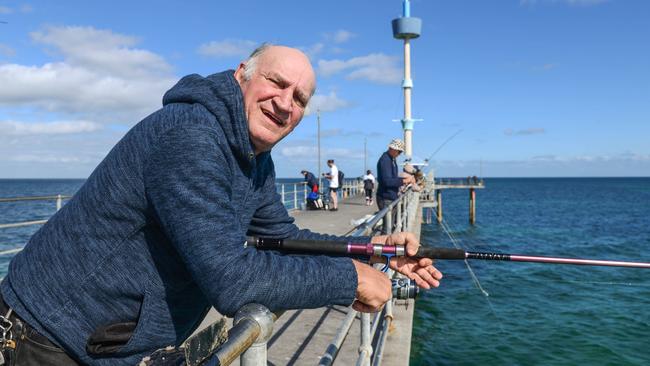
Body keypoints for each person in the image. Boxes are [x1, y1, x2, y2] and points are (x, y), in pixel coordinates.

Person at [0, 44, 442, 365]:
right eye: (277, 82)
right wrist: (351, 281)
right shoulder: (190, 135)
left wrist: (372, 250)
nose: (286, 103)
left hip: (108, 341)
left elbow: (282, 239)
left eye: (300, 99)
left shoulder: (255, 158)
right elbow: (231, 279)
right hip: (49, 336)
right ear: (241, 75)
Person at [376, 139, 416, 232]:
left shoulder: (391, 159)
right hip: (385, 198)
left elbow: (392, 179)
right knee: (387, 228)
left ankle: (387, 244)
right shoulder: (385, 160)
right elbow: (387, 181)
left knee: (390, 226)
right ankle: (383, 245)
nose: (400, 154)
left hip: (390, 197)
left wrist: (402, 183)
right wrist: (405, 181)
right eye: (399, 151)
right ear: (392, 149)